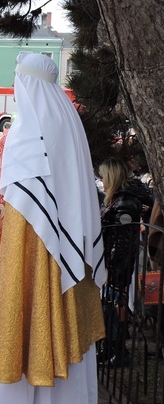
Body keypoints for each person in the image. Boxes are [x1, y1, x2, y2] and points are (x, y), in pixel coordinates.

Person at [0, 53, 105, 403]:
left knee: (25, 329)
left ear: (27, 83)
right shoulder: (68, 125)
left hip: (32, 257)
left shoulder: (27, 131)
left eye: (19, 81)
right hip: (71, 261)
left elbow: (23, 210)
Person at [98, 157, 144, 368]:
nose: (101, 180)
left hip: (118, 267)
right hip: (113, 265)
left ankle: (118, 351)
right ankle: (109, 349)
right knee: (109, 308)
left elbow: (123, 243)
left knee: (115, 308)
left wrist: (112, 267)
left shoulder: (125, 202)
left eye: (103, 176)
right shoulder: (118, 200)